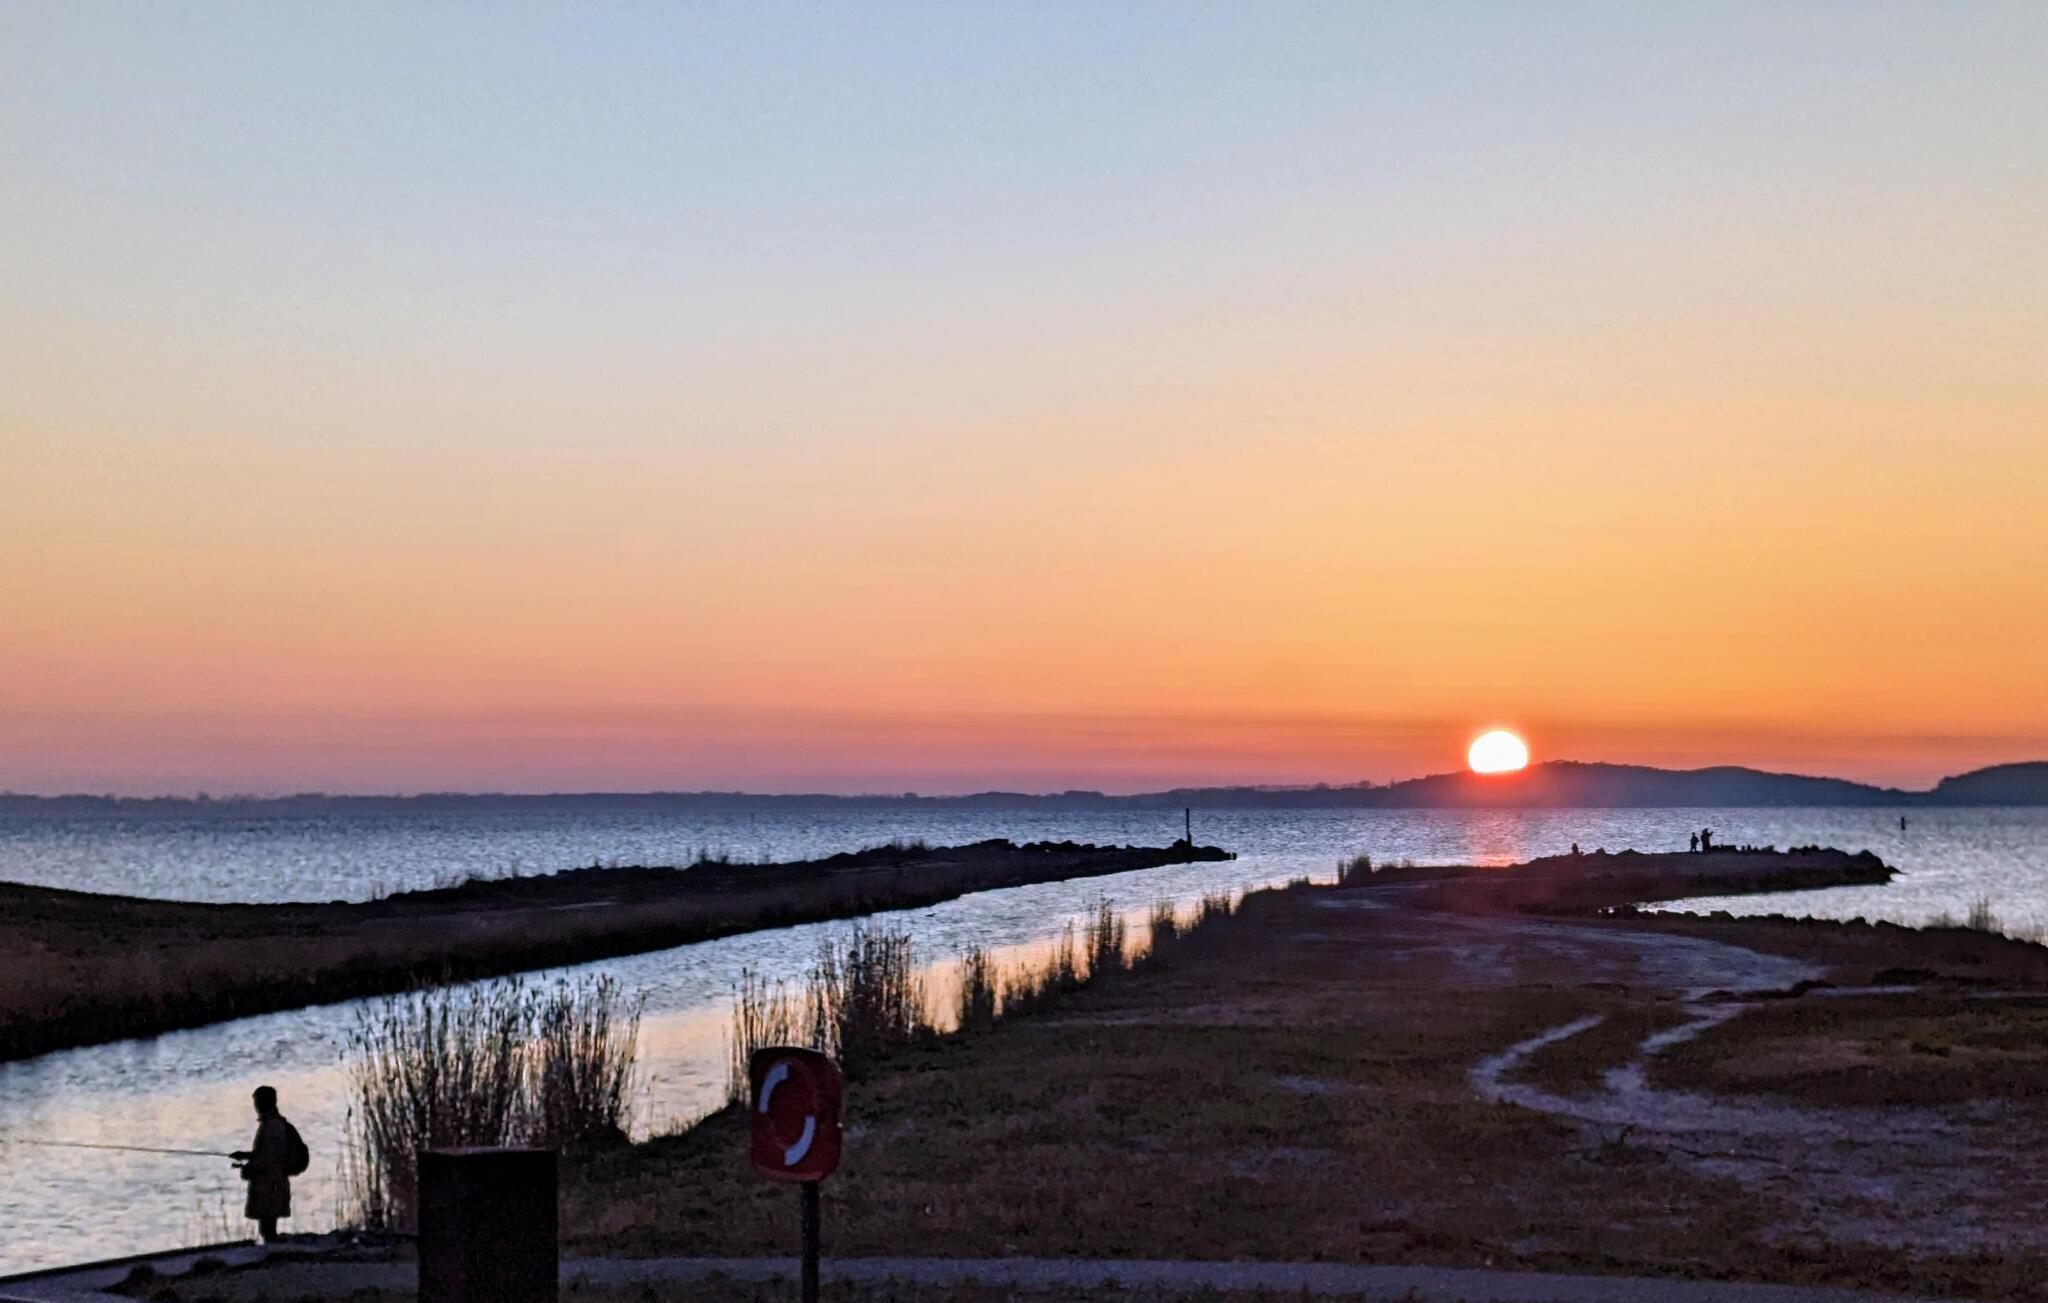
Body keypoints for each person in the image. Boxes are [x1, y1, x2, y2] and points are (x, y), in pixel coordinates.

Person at [231, 1085, 306, 1244]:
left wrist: (248, 1169)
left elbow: (268, 1159)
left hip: (270, 1185)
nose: (256, 1107)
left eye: (257, 1102)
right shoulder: (275, 1124)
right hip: (275, 1182)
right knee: (268, 1227)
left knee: (267, 1228)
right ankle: (274, 1249)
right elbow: (267, 1153)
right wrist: (246, 1156)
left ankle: (275, 1251)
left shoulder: (271, 1126)